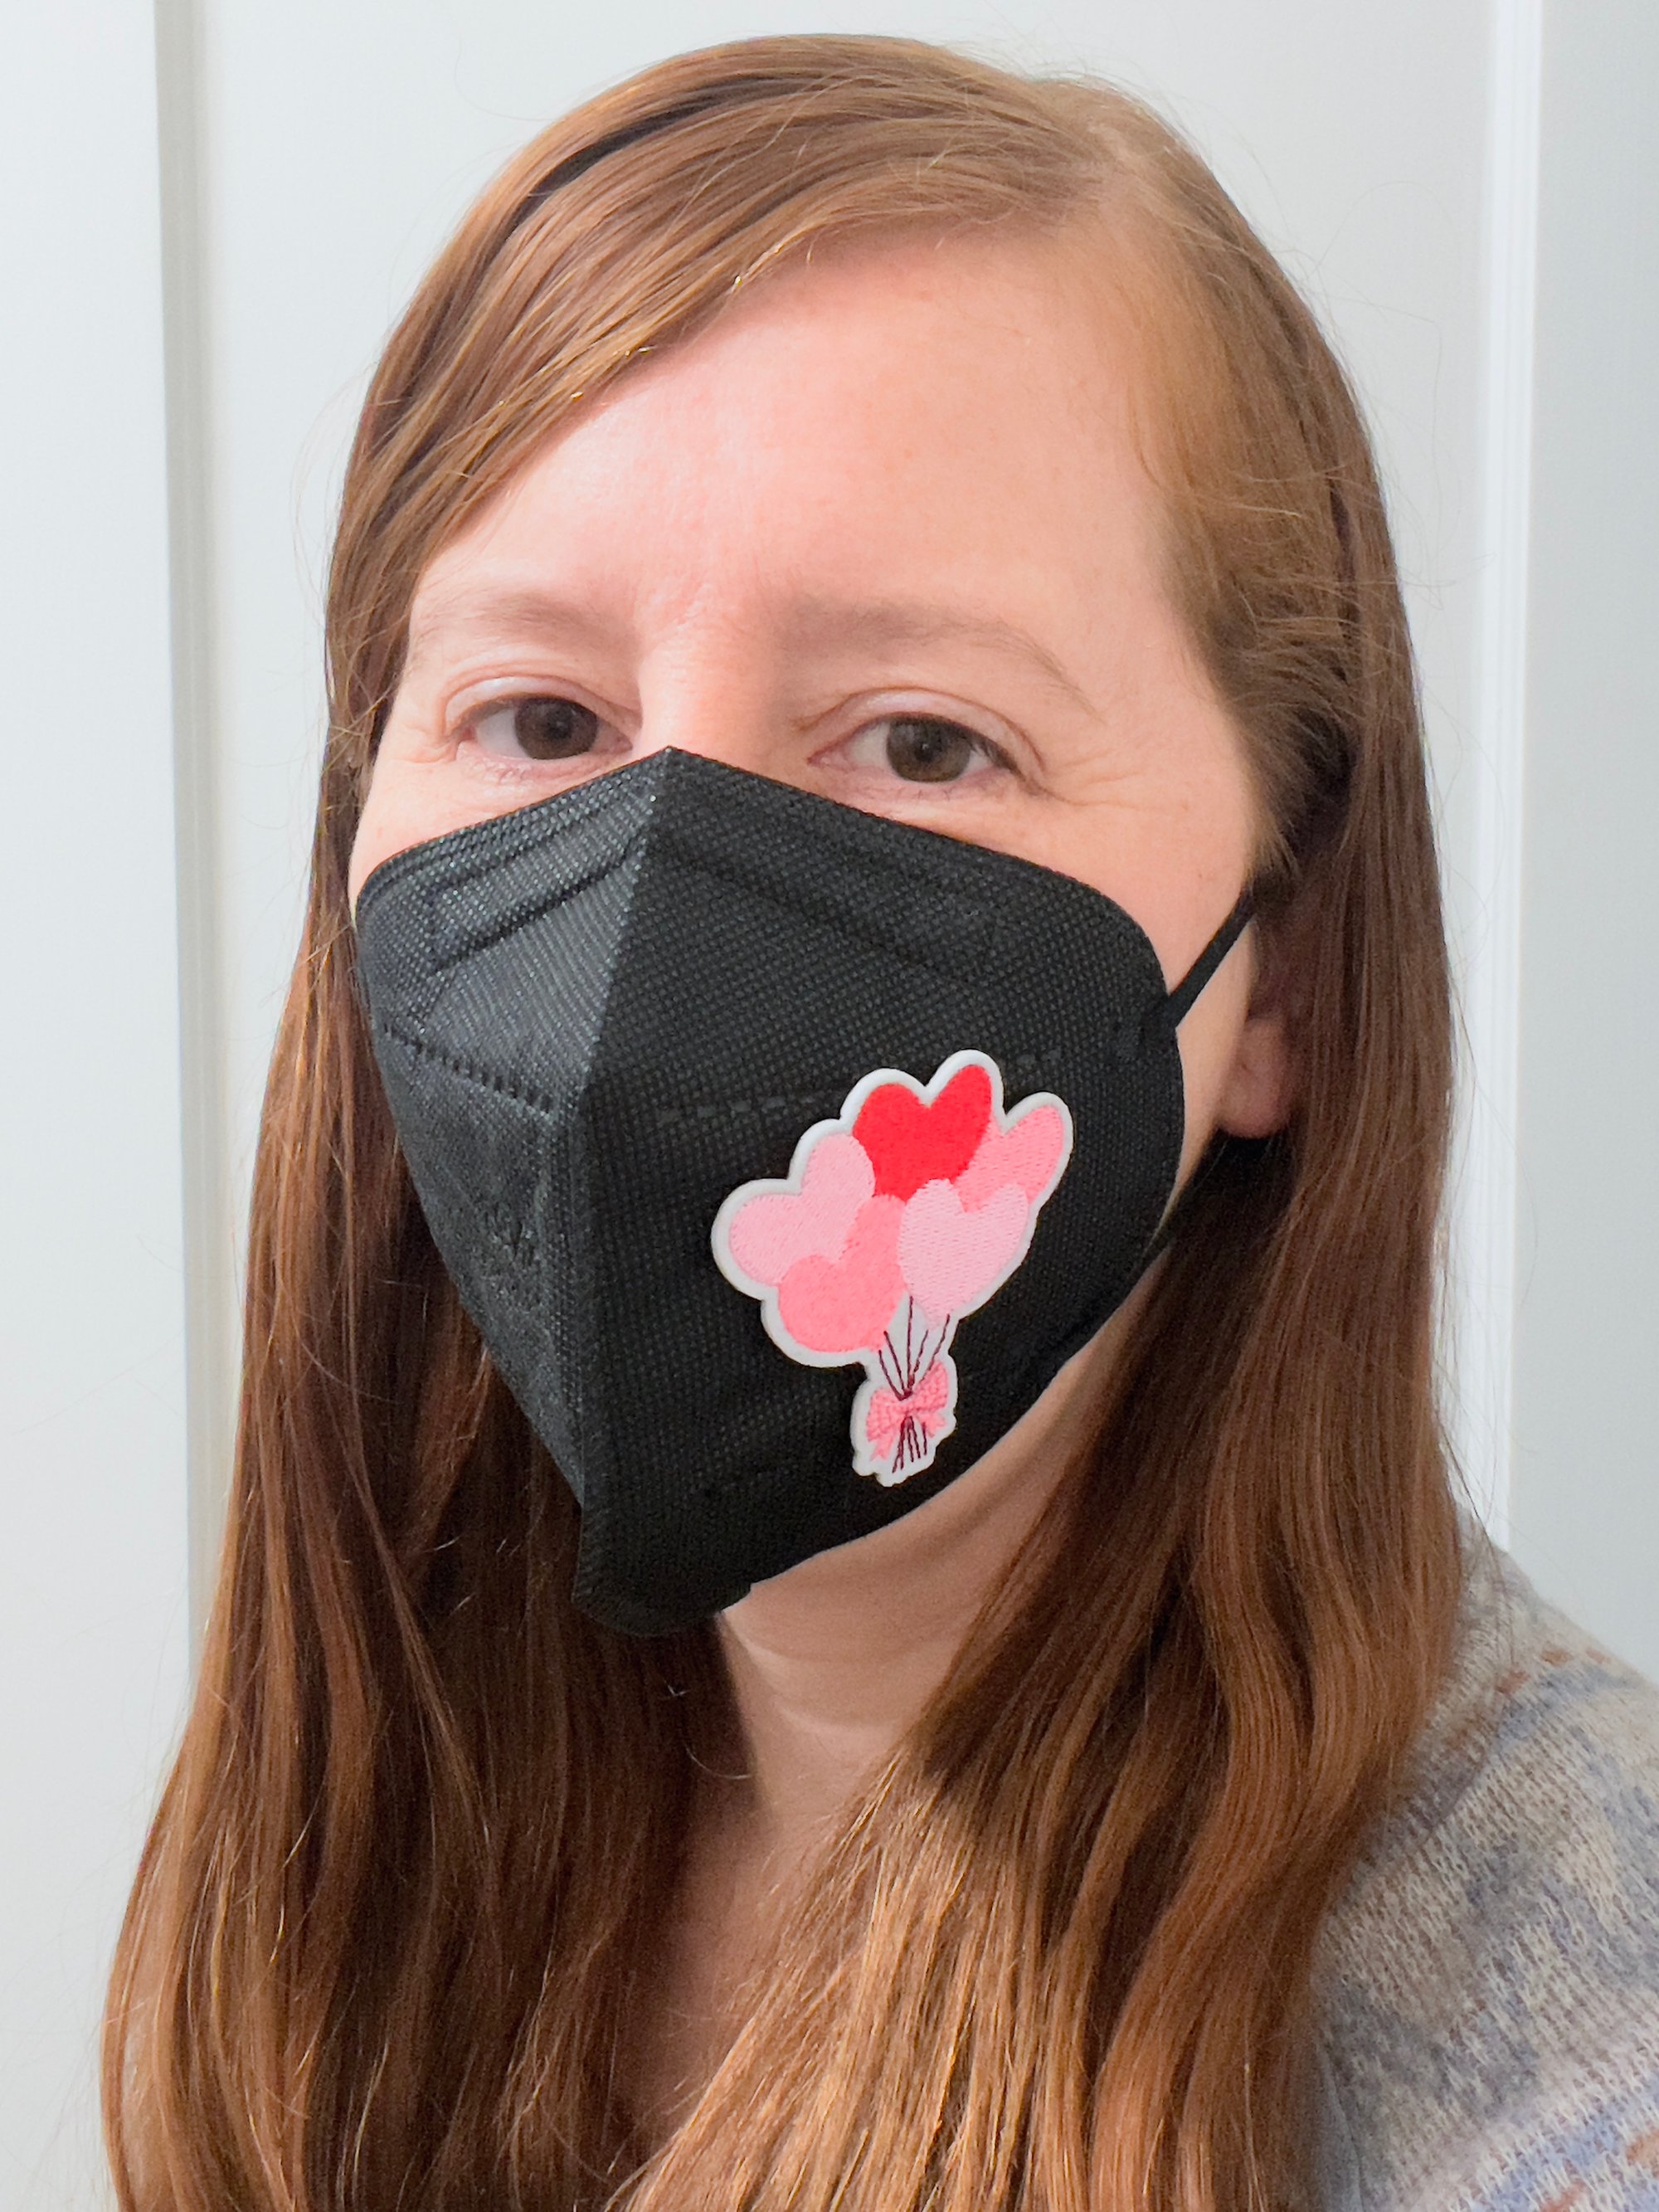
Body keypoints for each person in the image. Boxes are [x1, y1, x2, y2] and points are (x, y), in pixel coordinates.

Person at [102, 33, 1659, 2212]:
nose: (648, 963)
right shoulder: (412, 1780)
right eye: (537, 716)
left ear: (1286, 970)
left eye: (926, 742)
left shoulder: (1579, 2076)